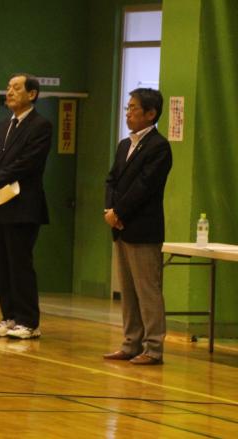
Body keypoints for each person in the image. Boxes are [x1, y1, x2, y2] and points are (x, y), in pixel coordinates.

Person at [0, 73, 52, 340]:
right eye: (8, 87)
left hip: (23, 206)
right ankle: (8, 317)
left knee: (20, 263)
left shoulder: (40, 126)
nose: (9, 92)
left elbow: (28, 162)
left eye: (16, 88)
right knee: (1, 263)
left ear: (31, 94)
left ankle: (28, 322)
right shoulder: (2, 126)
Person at [103, 88, 172, 366]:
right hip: (120, 227)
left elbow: (144, 186)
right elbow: (112, 180)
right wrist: (110, 210)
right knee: (128, 291)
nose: (128, 113)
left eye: (133, 108)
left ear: (150, 114)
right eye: (127, 108)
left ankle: (153, 348)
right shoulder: (124, 145)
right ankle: (131, 343)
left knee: (148, 291)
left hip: (143, 229)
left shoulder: (158, 147)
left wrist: (120, 211)